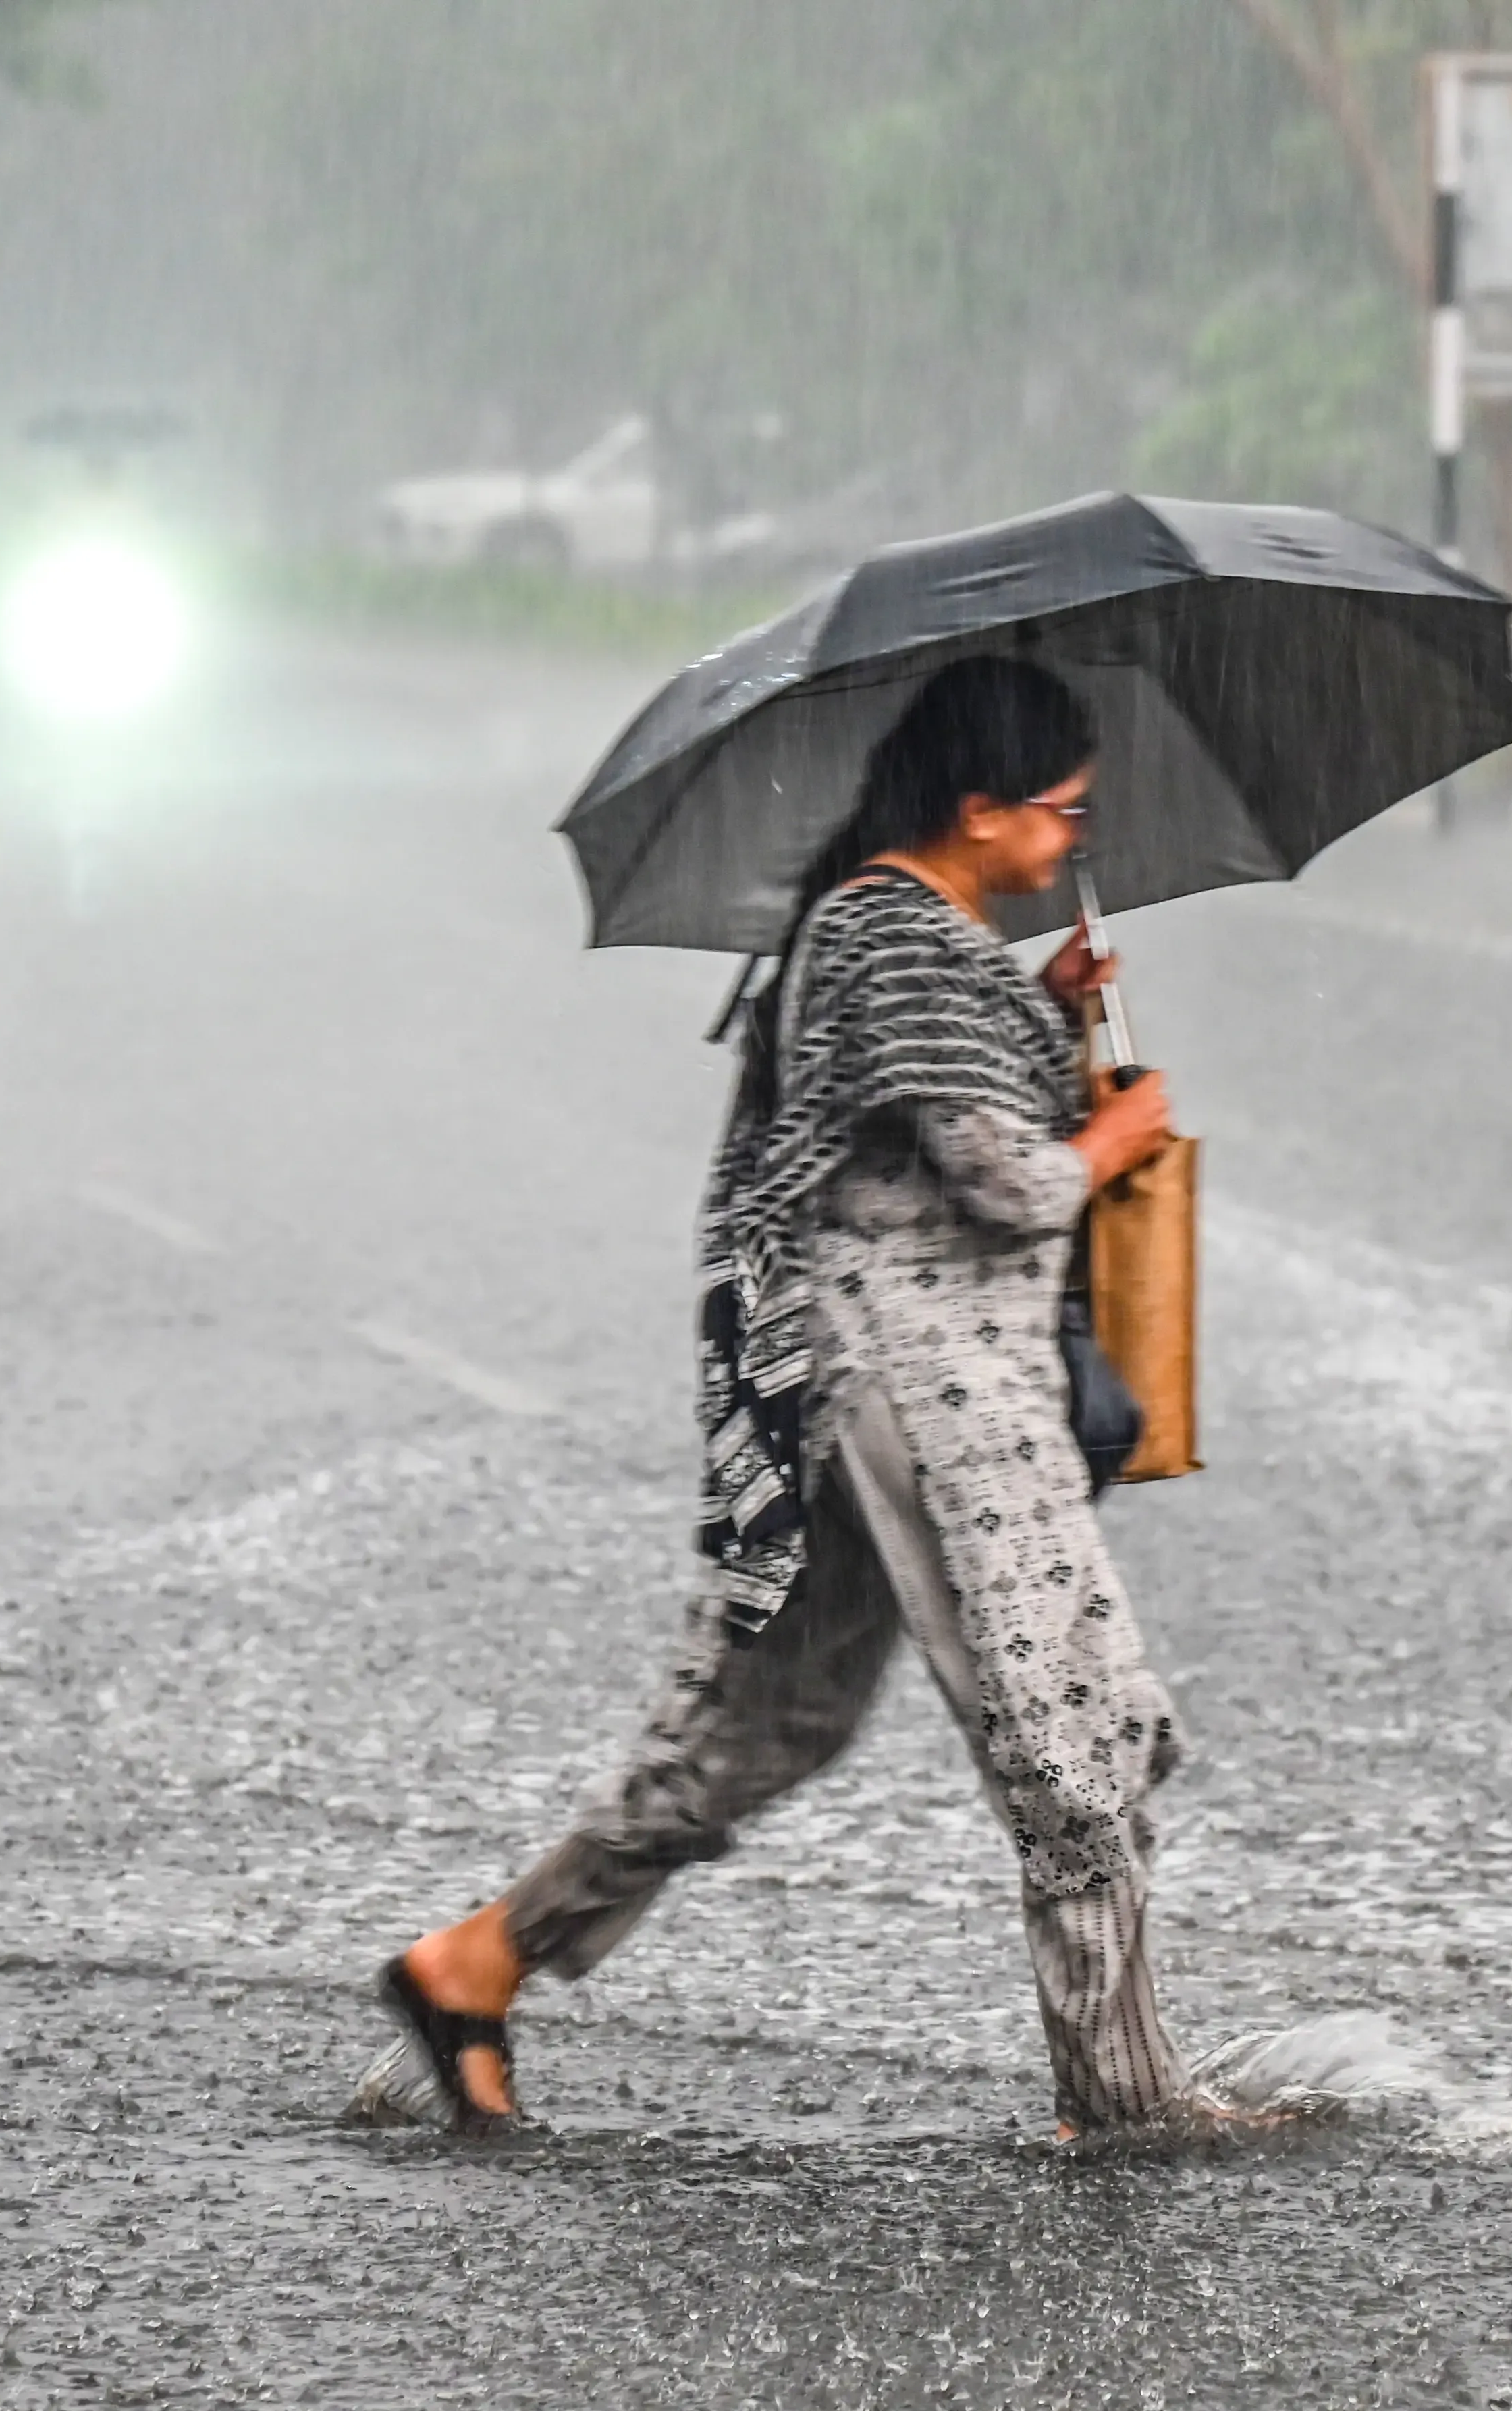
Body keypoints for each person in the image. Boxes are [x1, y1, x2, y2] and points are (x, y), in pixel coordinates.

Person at [383, 655, 1243, 2142]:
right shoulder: (891, 935)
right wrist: (1111, 1134)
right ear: (976, 811)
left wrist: (1031, 1001)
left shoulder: (899, 933)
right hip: (919, 1387)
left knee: (764, 1728)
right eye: (1058, 816)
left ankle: (470, 1964)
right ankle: (1123, 2101)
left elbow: (901, 1109)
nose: (1068, 849)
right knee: (1060, 1722)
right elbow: (1000, 1178)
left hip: (850, 1394)